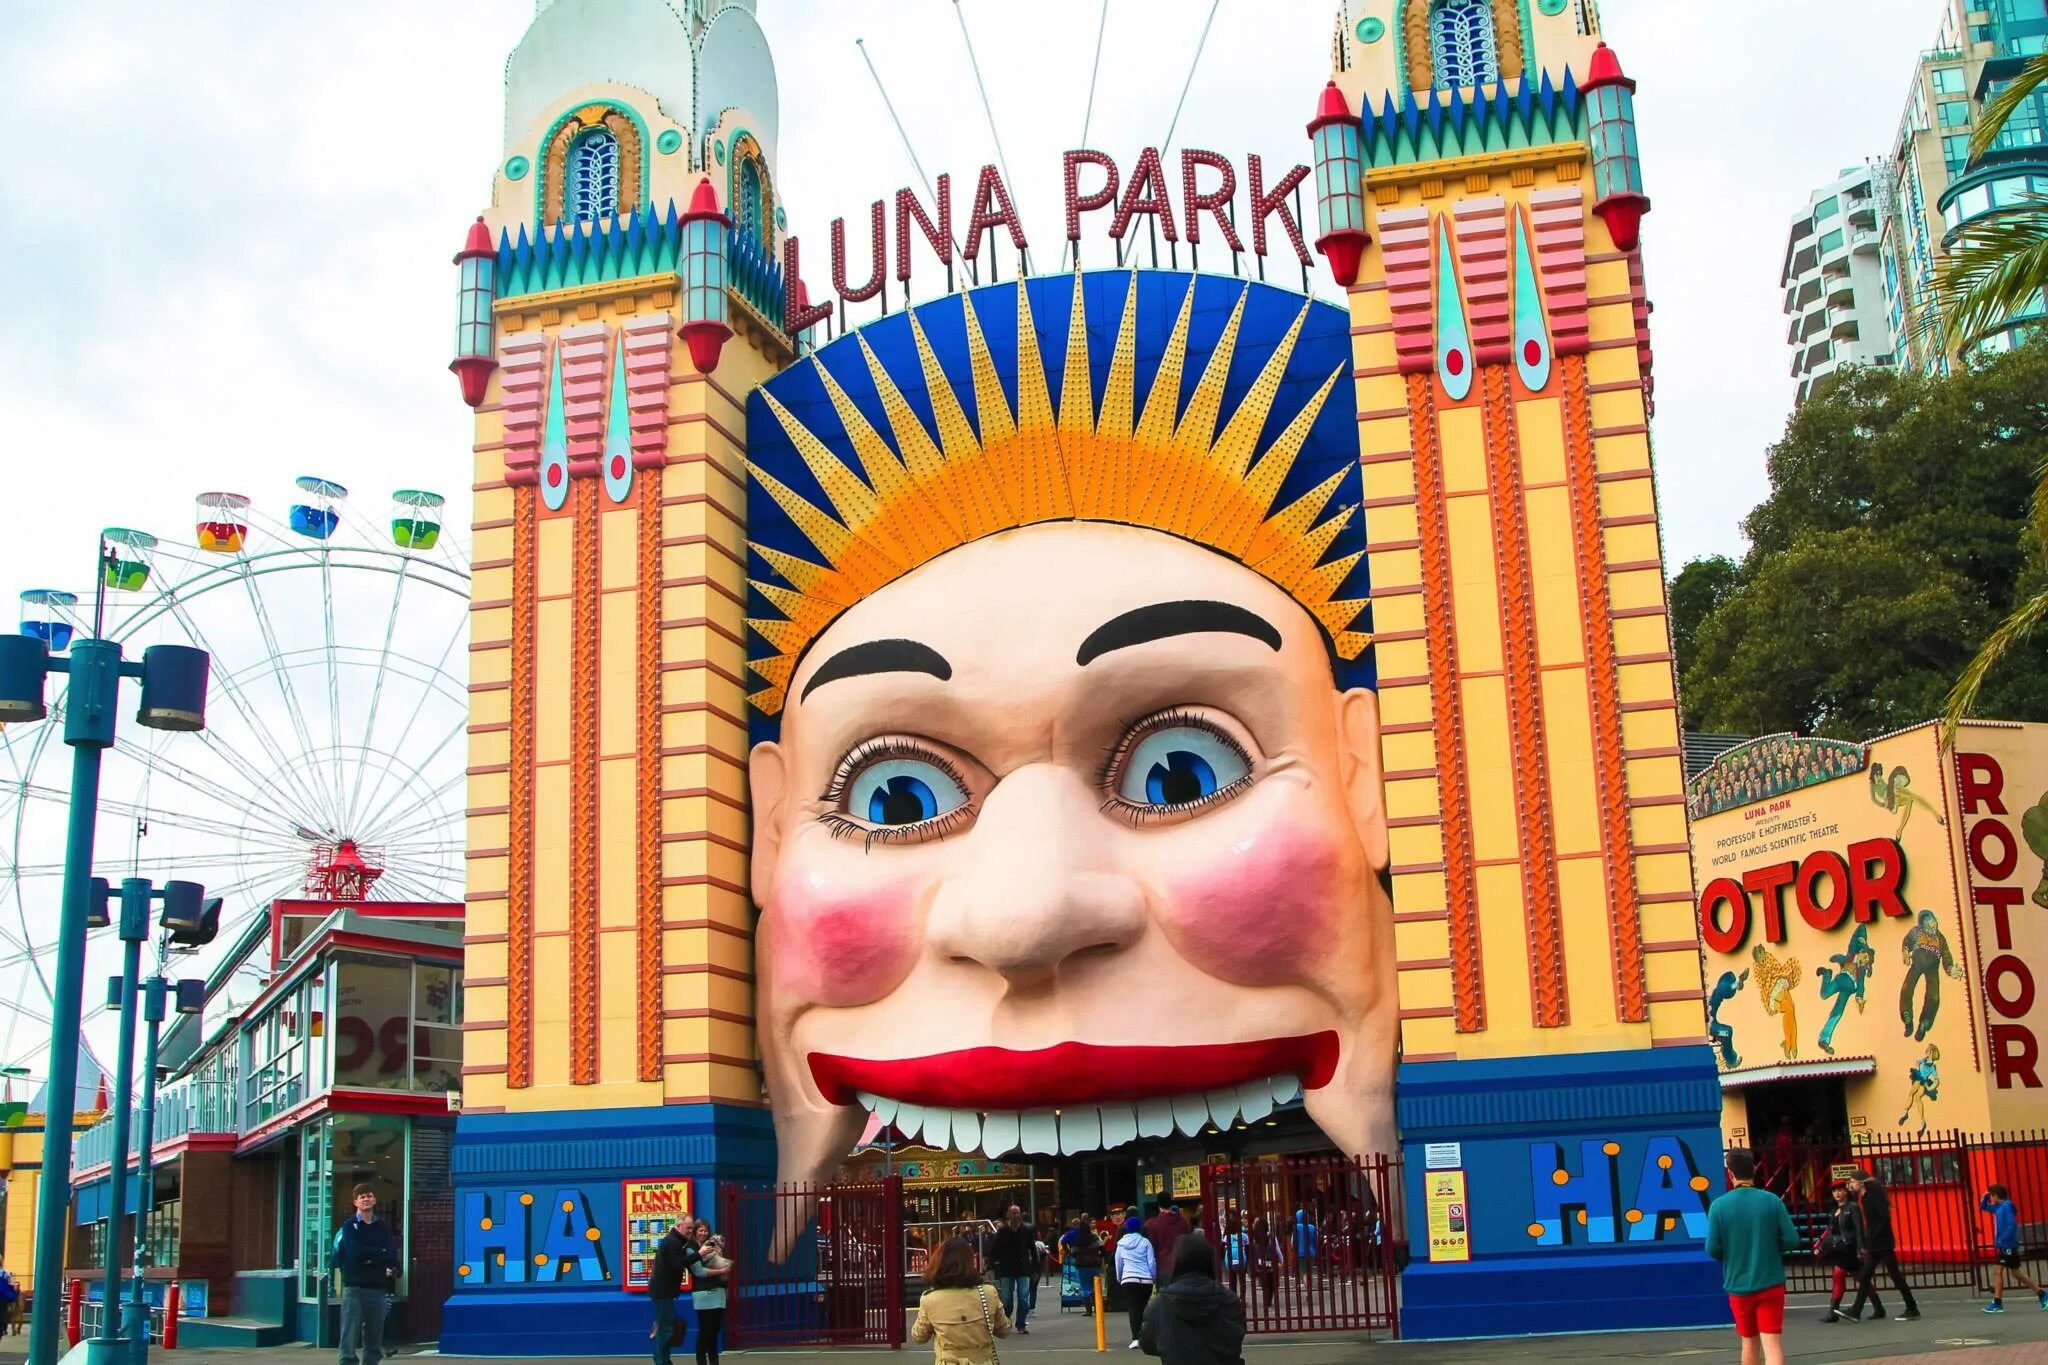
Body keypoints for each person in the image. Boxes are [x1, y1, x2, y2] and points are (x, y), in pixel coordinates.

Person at [1705, 1149, 1799, 1365]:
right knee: (1772, 1343)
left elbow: (1713, 1248)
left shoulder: (1719, 1206)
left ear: (1730, 1173)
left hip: (1738, 1284)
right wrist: (1771, 1248)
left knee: (1749, 1342)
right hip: (1771, 1281)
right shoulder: (1772, 1201)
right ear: (1754, 1170)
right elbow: (1792, 1239)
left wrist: (1731, 1254)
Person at [1141, 1235, 1245, 1365]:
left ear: (1177, 1262)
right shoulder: (1229, 1300)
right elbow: (1236, 1337)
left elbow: (1148, 1343)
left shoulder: (1162, 1302)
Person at [912, 1237, 1011, 1365]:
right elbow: (1004, 1330)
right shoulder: (988, 1293)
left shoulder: (930, 1299)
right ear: (970, 1263)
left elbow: (919, 1337)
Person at [331, 1184, 399, 1365]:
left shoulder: (382, 1227)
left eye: (369, 1195)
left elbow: (391, 1253)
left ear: (374, 1200)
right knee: (349, 1335)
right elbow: (354, 1253)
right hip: (354, 1289)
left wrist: (374, 1257)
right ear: (355, 1202)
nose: (366, 1199)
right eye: (362, 1197)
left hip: (377, 1290)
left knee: (374, 1338)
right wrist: (380, 1254)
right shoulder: (349, 1226)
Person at [1847, 1171, 1920, 1322]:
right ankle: (1856, 1310)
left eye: (1853, 1182)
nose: (1851, 1185)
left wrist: (1872, 1236)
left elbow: (1884, 1218)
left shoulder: (1874, 1196)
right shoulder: (1865, 1197)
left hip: (1883, 1243)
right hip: (1875, 1244)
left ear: (1861, 1182)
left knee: (1895, 1276)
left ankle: (1912, 1308)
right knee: (1866, 1276)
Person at [1980, 1184, 2047, 1313]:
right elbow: (1984, 1207)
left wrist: (2002, 1239)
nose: (1990, 1198)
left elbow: (2012, 1225)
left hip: (2008, 1245)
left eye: (1991, 1195)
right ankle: (2042, 1294)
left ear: (1996, 1196)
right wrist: (1985, 1196)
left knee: (1998, 1271)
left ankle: (1997, 1302)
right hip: (2006, 1245)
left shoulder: (2006, 1206)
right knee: (2017, 1274)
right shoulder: (1998, 1207)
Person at [648, 1218, 703, 1365]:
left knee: (667, 1326)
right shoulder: (673, 1242)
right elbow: (677, 1264)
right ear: (678, 1226)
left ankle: (663, 1359)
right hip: (663, 1292)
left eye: (692, 1228)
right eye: (688, 1228)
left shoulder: (676, 1241)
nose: (690, 1231)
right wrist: (699, 1254)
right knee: (665, 1329)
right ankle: (661, 1361)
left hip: (664, 1291)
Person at [1819, 1182, 1868, 1323]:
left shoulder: (1852, 1207)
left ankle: (1832, 1311)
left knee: (1839, 1275)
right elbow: (1831, 1230)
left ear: (1846, 1192)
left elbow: (1859, 1229)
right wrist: (1821, 1245)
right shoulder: (1834, 1209)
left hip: (1850, 1248)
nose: (1837, 1194)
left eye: (1840, 1190)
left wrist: (1860, 1248)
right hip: (1839, 1248)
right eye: (1834, 1191)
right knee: (1859, 1277)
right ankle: (1878, 1306)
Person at [988, 1205, 1037, 1335]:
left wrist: (1035, 1269)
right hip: (1006, 1269)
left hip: (1023, 1268)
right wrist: (992, 1266)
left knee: (1023, 1298)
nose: (1016, 1216)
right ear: (1008, 1215)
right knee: (1006, 1299)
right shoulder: (1002, 1231)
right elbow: (994, 1250)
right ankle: (1006, 1320)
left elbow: (1032, 1249)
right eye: (1014, 1213)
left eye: (1018, 1213)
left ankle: (1021, 1324)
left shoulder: (1026, 1231)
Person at [1114, 1214, 1158, 1349]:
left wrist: (1120, 1277)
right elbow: (1151, 1262)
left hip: (1129, 1278)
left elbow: (1118, 1262)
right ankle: (1147, 1335)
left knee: (1133, 1308)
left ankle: (1136, 1338)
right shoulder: (1145, 1242)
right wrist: (1153, 1277)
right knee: (1144, 1307)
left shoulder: (1121, 1244)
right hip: (1145, 1279)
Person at [690, 1223, 730, 1365]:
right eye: (700, 1230)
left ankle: (714, 1362)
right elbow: (699, 1272)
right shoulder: (691, 1249)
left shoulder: (713, 1245)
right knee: (705, 1332)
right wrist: (720, 1271)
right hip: (703, 1293)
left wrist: (719, 1255)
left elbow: (722, 1264)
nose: (703, 1233)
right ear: (695, 1232)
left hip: (718, 1292)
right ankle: (701, 1362)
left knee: (714, 1332)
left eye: (705, 1230)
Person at [1144, 1202, 1191, 1287]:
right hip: (1181, 1267)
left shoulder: (1153, 1224)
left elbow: (1152, 1248)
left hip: (1163, 1267)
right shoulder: (1184, 1222)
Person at [1062, 1217, 1103, 1313]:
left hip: (1081, 1265)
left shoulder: (1077, 1239)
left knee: (1084, 1286)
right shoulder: (1094, 1237)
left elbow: (1072, 1251)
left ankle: (1088, 1310)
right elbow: (1102, 1249)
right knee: (1095, 1286)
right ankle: (1098, 1307)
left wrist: (1070, 1254)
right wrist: (1099, 1256)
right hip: (1094, 1264)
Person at [1292, 1208, 1319, 1290]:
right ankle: (1309, 1287)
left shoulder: (1296, 1227)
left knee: (1304, 1273)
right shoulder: (1312, 1227)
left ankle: (1308, 1290)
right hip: (1311, 1253)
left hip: (1301, 1253)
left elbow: (1293, 1241)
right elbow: (1316, 1239)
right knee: (1309, 1271)